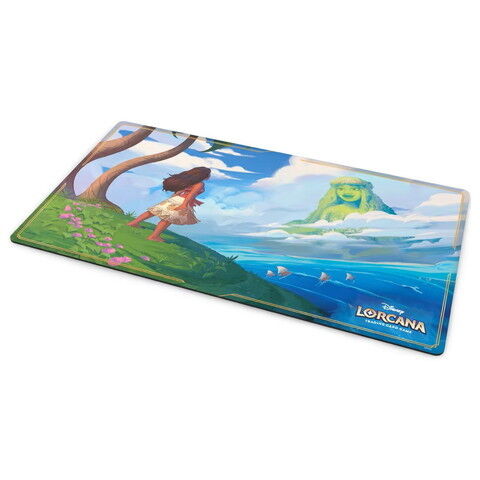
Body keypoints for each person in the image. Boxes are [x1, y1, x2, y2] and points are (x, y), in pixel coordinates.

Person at [127, 167, 211, 242]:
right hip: (182, 201)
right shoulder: (200, 184)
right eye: (209, 174)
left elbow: (179, 191)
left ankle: (133, 223)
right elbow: (191, 194)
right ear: (204, 175)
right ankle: (153, 236)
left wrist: (173, 198)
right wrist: (184, 204)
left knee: (153, 212)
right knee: (168, 219)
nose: (209, 176)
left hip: (176, 199)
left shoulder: (190, 181)